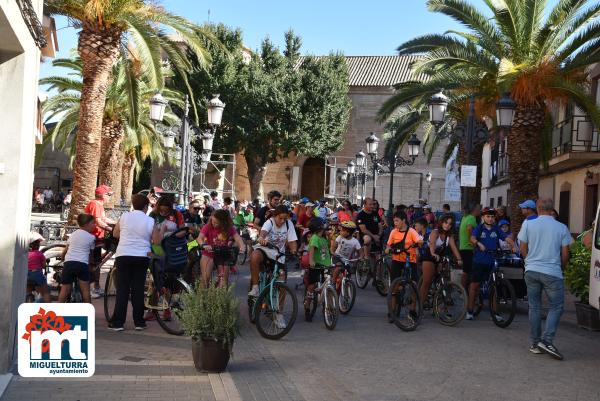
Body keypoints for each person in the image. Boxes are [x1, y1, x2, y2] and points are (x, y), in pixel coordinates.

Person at [518, 198, 572, 360]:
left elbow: (522, 247)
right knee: (556, 306)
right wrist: (561, 268)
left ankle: (535, 343)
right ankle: (547, 341)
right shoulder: (561, 227)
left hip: (532, 270)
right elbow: (565, 253)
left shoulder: (528, 224)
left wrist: (529, 261)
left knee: (534, 307)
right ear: (551, 209)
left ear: (538, 209)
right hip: (552, 272)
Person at [109, 194, 154, 331]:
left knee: (122, 289)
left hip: (124, 255)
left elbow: (115, 234)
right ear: (146, 206)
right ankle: (139, 322)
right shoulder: (149, 220)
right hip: (142, 256)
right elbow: (155, 239)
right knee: (138, 289)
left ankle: (118, 322)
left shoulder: (124, 217)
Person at [248, 205, 298, 328]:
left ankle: (279, 314)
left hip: (278, 255)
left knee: (282, 284)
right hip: (265, 250)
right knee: (254, 256)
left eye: (285, 219)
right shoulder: (269, 222)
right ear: (275, 216)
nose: (282, 221)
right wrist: (261, 238)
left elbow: (292, 242)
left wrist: (295, 251)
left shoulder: (288, 224)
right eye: (280, 218)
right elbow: (263, 233)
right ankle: (255, 287)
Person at [468, 208, 514, 320]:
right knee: (475, 285)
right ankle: (469, 310)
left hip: (492, 261)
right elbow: (472, 238)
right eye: (488, 216)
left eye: (492, 217)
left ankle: (495, 313)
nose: (490, 218)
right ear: (483, 217)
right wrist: (479, 244)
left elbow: (506, 237)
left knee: (495, 287)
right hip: (479, 261)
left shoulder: (496, 229)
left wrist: (514, 246)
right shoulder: (479, 228)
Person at [386, 211, 423, 322]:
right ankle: (392, 311)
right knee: (395, 286)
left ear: (403, 220)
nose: (395, 223)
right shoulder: (393, 232)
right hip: (397, 260)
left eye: (397, 220)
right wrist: (388, 249)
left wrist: (418, 243)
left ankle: (412, 311)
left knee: (414, 286)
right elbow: (388, 245)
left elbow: (419, 240)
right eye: (394, 220)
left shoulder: (411, 231)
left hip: (410, 260)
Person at [419, 214, 463, 307]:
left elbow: (454, 247)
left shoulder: (449, 236)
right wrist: (433, 253)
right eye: (446, 222)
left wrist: (459, 259)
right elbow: (432, 243)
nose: (447, 225)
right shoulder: (435, 232)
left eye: (450, 224)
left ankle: (439, 302)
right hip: (429, 256)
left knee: (443, 277)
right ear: (441, 222)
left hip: (439, 258)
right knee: (426, 281)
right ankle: (418, 306)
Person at [84, 184, 117, 299]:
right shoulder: (95, 204)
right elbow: (98, 222)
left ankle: (96, 286)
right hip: (92, 238)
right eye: (109, 195)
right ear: (103, 195)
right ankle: (92, 288)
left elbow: (104, 219)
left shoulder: (100, 205)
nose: (110, 197)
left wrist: (117, 223)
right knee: (93, 263)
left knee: (97, 262)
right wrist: (110, 229)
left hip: (98, 238)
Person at [199, 209, 245, 288]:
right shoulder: (208, 226)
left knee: (224, 281)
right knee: (205, 279)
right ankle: (201, 298)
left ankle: (221, 296)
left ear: (223, 222)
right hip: (208, 253)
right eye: (212, 221)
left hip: (223, 254)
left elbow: (237, 238)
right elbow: (200, 238)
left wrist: (242, 246)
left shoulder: (229, 228)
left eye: (216, 222)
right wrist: (203, 245)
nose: (213, 224)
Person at [59, 214, 96, 303]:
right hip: (82, 265)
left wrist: (62, 258)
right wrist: (91, 265)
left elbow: (65, 250)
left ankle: (57, 311)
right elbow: (90, 255)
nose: (95, 225)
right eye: (93, 223)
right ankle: (88, 313)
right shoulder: (92, 238)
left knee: (65, 289)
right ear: (86, 224)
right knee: (85, 291)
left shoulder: (73, 235)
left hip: (69, 264)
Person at [305, 217, 332, 322]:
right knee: (312, 286)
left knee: (328, 284)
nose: (325, 226)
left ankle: (328, 304)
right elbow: (311, 249)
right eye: (323, 224)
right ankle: (307, 304)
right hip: (316, 265)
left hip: (325, 265)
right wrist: (311, 261)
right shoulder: (315, 238)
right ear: (320, 227)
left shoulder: (324, 237)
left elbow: (327, 250)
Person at [330, 220, 361, 285]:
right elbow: (334, 247)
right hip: (337, 257)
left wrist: (360, 257)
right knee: (338, 267)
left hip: (346, 260)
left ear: (348, 233)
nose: (340, 232)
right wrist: (333, 252)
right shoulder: (340, 237)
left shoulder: (355, 242)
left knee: (348, 273)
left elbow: (360, 252)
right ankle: (333, 282)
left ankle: (346, 286)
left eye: (342, 230)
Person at [459, 203, 480, 291]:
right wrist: (472, 242)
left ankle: (464, 289)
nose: (481, 210)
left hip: (463, 247)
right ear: (475, 210)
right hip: (468, 247)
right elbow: (469, 228)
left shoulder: (465, 217)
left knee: (467, 269)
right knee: (467, 270)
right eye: (479, 209)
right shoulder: (471, 218)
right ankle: (462, 290)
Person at [27, 232, 51, 302]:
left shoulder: (25, 253)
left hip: (27, 275)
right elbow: (44, 266)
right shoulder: (39, 254)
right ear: (37, 245)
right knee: (46, 292)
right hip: (36, 274)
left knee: (28, 292)